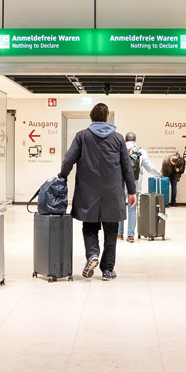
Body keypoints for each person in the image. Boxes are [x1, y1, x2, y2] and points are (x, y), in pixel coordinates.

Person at [60, 103, 136, 280]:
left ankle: (93, 253)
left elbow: (68, 159)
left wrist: (62, 176)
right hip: (113, 192)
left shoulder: (82, 136)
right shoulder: (118, 139)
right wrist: (131, 190)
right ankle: (108, 270)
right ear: (107, 117)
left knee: (89, 227)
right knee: (111, 231)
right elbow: (127, 167)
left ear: (91, 117)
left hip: (88, 192)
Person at [118, 131, 160, 242]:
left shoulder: (119, 148)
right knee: (132, 209)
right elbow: (148, 166)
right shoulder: (141, 151)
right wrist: (158, 173)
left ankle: (119, 234)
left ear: (125, 140)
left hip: (120, 184)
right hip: (135, 184)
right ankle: (130, 235)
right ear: (135, 141)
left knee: (120, 208)